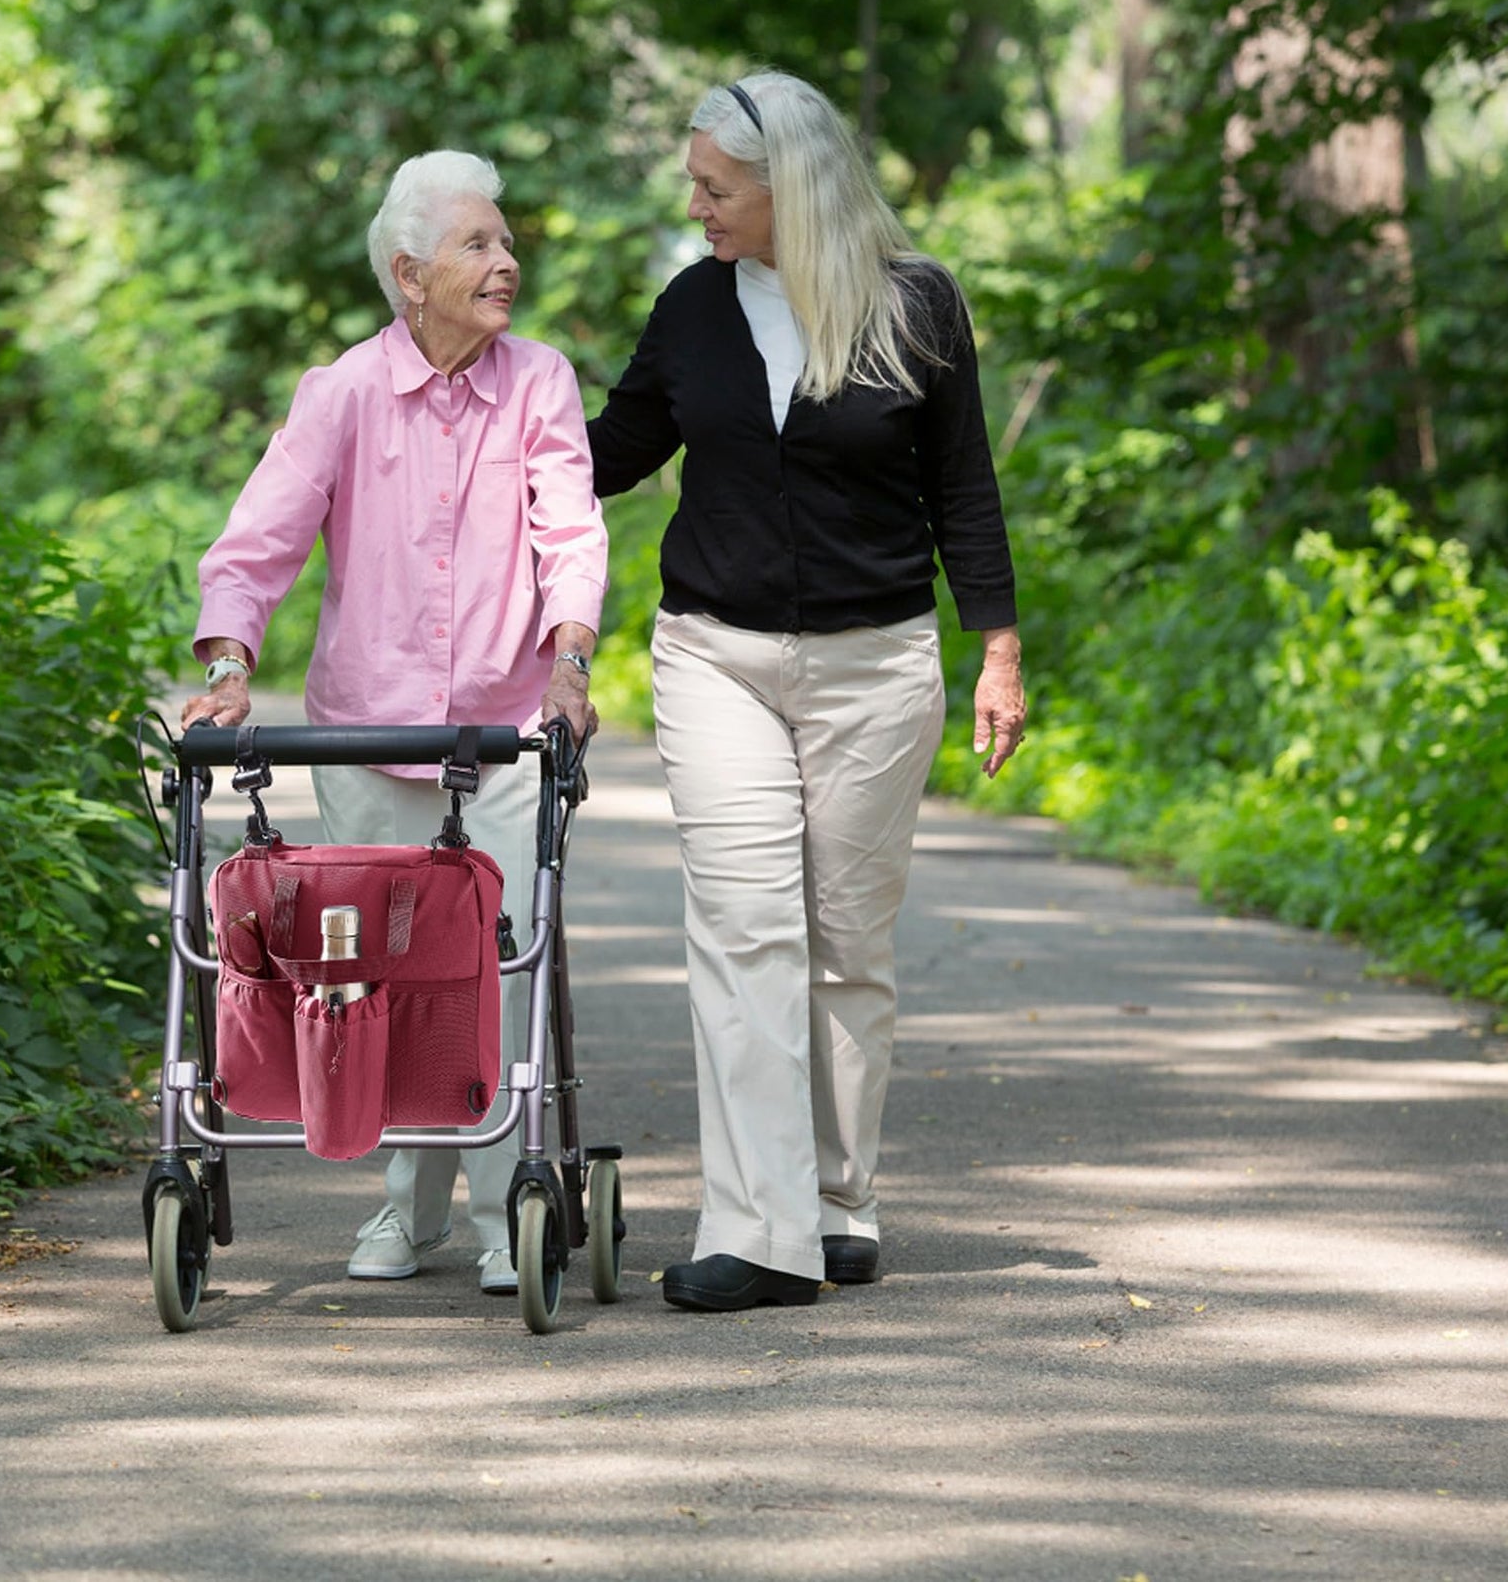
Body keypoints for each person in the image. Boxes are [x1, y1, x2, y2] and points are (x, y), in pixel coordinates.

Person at [588, 70, 1026, 1313]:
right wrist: (481, 414)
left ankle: (838, 1204)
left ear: (792, 185)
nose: (697, 203)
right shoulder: (690, 306)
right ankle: (759, 1229)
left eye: (716, 187)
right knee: (745, 931)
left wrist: (996, 650)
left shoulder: (915, 304)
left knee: (845, 946)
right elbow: (607, 454)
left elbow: (964, 489)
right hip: (714, 654)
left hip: (875, 666)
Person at [181, 150, 607, 1297]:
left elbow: (569, 529)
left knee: (493, 972)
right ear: (409, 273)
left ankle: (493, 1209)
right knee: (373, 975)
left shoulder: (539, 382)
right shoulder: (341, 394)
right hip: (364, 738)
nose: (507, 260)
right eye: (479, 243)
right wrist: (227, 664)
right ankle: (400, 1207)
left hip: (503, 733)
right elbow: (257, 541)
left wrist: (570, 659)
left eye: (508, 240)